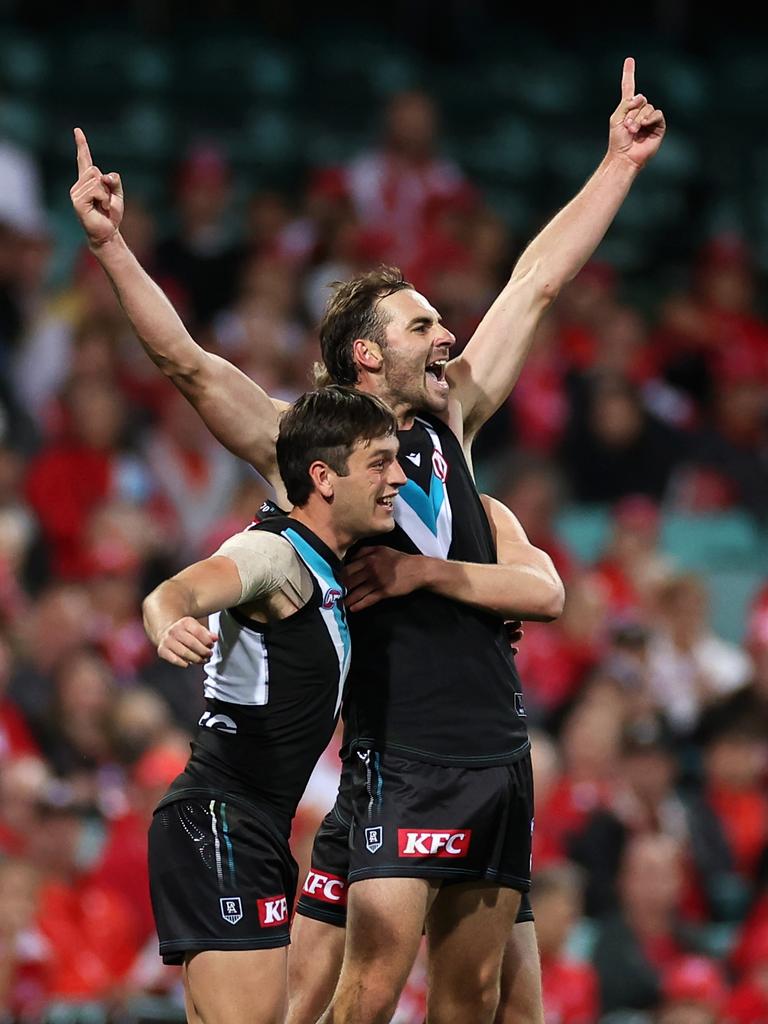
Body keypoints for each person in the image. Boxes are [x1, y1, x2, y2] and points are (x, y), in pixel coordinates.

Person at [70, 57, 665, 1024]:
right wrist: (110, 247)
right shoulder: (305, 450)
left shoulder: (454, 417)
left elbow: (539, 282)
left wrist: (618, 166)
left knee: (486, 1003)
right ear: (365, 352)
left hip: (495, 743)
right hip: (395, 750)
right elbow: (186, 365)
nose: (447, 337)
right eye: (422, 324)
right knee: (362, 991)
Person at [141, 386, 405, 1024]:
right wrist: (168, 621)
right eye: (378, 462)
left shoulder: (330, 569)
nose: (397, 477)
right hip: (220, 822)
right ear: (323, 478)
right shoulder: (275, 553)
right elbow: (174, 591)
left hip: (251, 828)